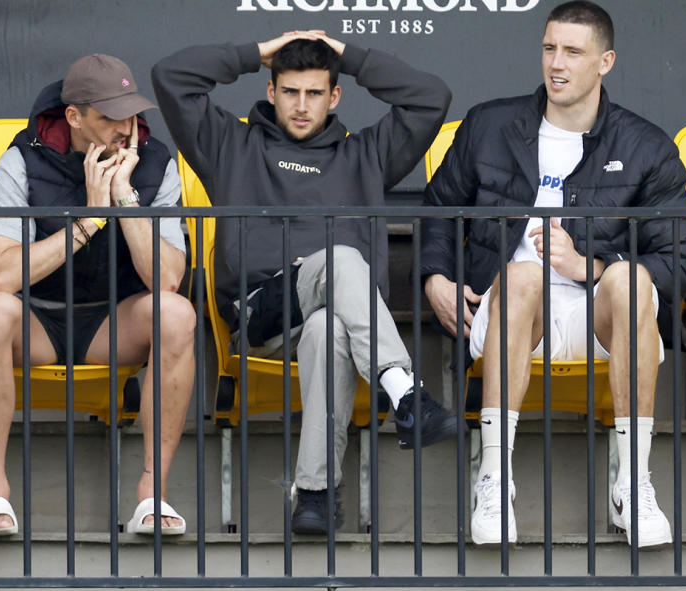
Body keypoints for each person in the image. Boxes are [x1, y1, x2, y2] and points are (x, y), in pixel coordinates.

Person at [153, 30, 458, 534]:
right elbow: (171, 78)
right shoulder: (231, 145)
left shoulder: (366, 155)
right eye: (290, 91)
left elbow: (431, 98)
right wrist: (255, 53)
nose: (301, 105)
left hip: (336, 322)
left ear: (334, 96)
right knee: (339, 256)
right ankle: (404, 390)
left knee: (327, 331)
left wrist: (350, 56)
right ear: (271, 91)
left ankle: (314, 494)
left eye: (314, 93)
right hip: (261, 316)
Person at [422, 1, 686, 547]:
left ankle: (632, 484)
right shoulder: (490, 125)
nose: (557, 63)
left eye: (573, 52)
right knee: (524, 273)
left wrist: (590, 266)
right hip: (512, 312)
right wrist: (434, 276)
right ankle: (494, 481)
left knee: (630, 279)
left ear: (605, 62)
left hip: (600, 318)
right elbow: (438, 210)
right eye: (550, 48)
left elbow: (680, 264)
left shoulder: (644, 147)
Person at [0, 54, 195, 537]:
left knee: (176, 314)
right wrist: (88, 220)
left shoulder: (155, 162)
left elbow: (168, 281)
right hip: (37, 320)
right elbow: (4, 275)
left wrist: (126, 199)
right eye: (110, 117)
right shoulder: (22, 158)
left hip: (114, 321)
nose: (125, 128)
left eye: (130, 113)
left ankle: (152, 497)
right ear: (74, 117)